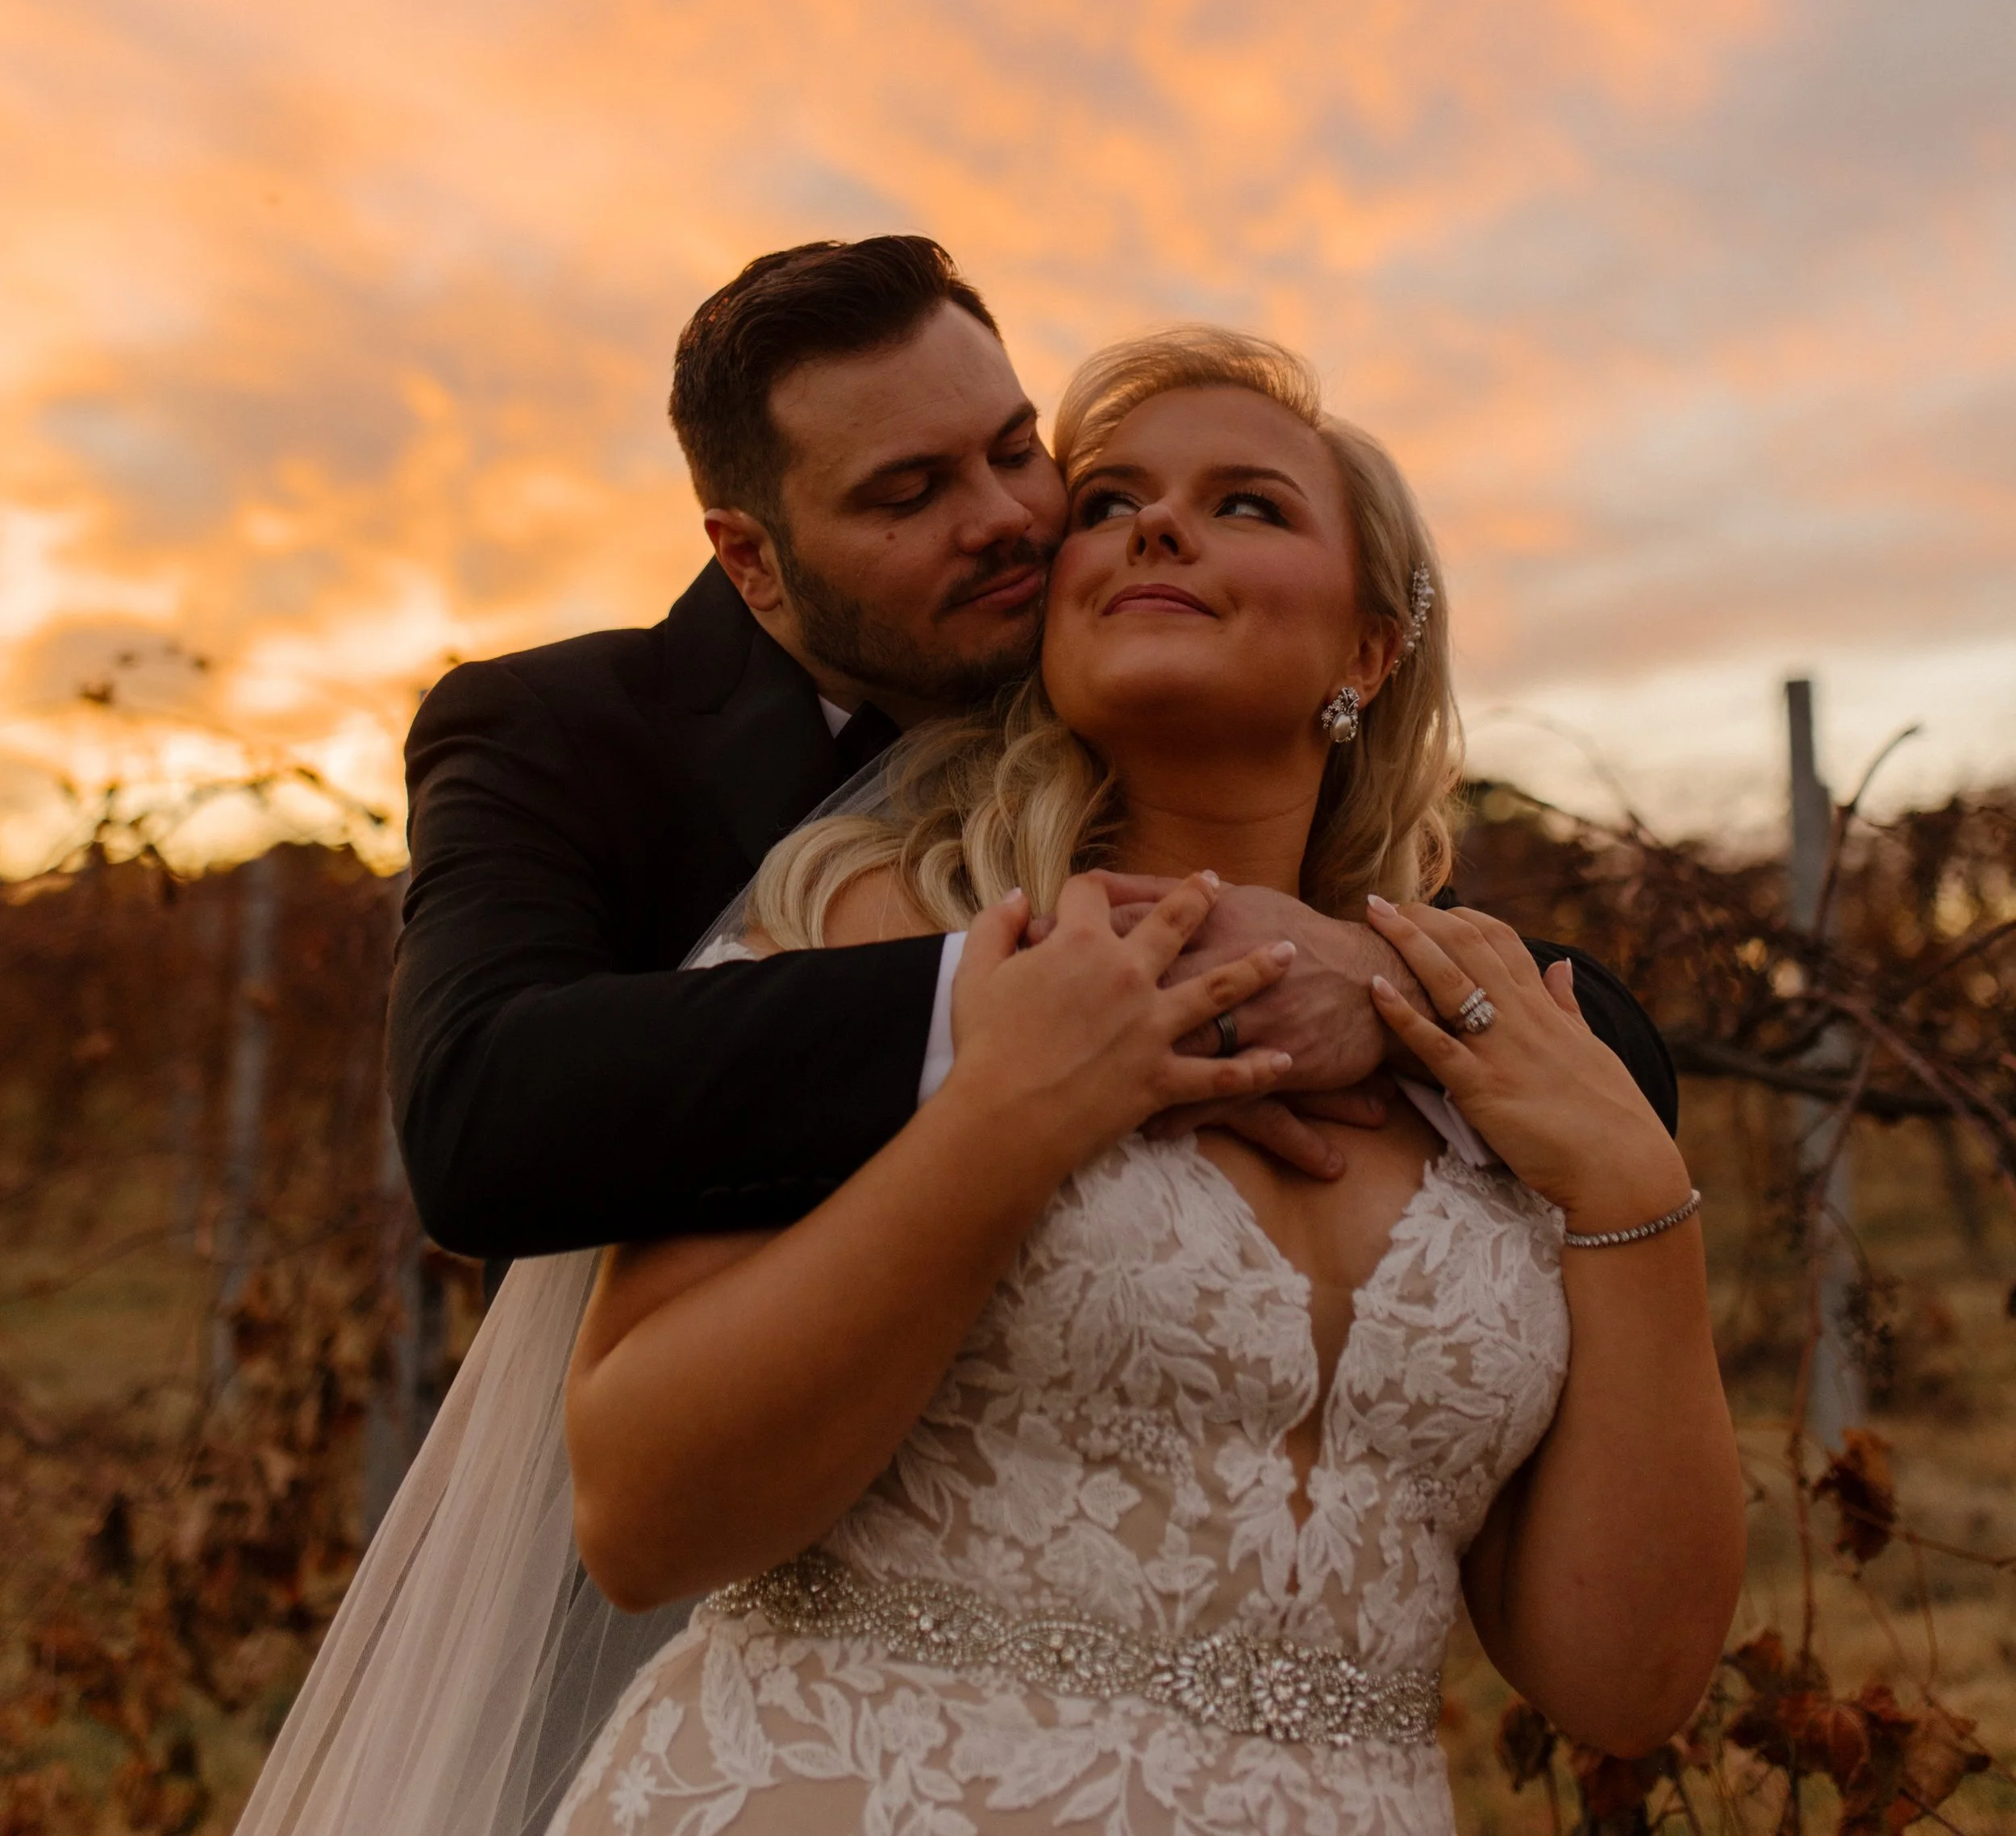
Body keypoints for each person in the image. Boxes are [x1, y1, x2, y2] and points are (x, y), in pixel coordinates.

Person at [549, 329, 1744, 1836]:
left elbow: (1623, 1682)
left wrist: (1639, 1194)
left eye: (1250, 502)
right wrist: (1013, 1114)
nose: (1159, 526)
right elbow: (643, 1518)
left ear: (1370, 650)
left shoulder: (1487, 1041)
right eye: (1109, 502)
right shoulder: (877, 934)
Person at [389, 239, 1675, 1268]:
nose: (1009, 518)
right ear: (749, 557)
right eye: (912, 493)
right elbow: (481, 1114)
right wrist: (1014, 1006)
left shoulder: (1103, 670)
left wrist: (1375, 975)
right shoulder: (554, 726)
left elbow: (1590, 1027)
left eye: (1017, 452)